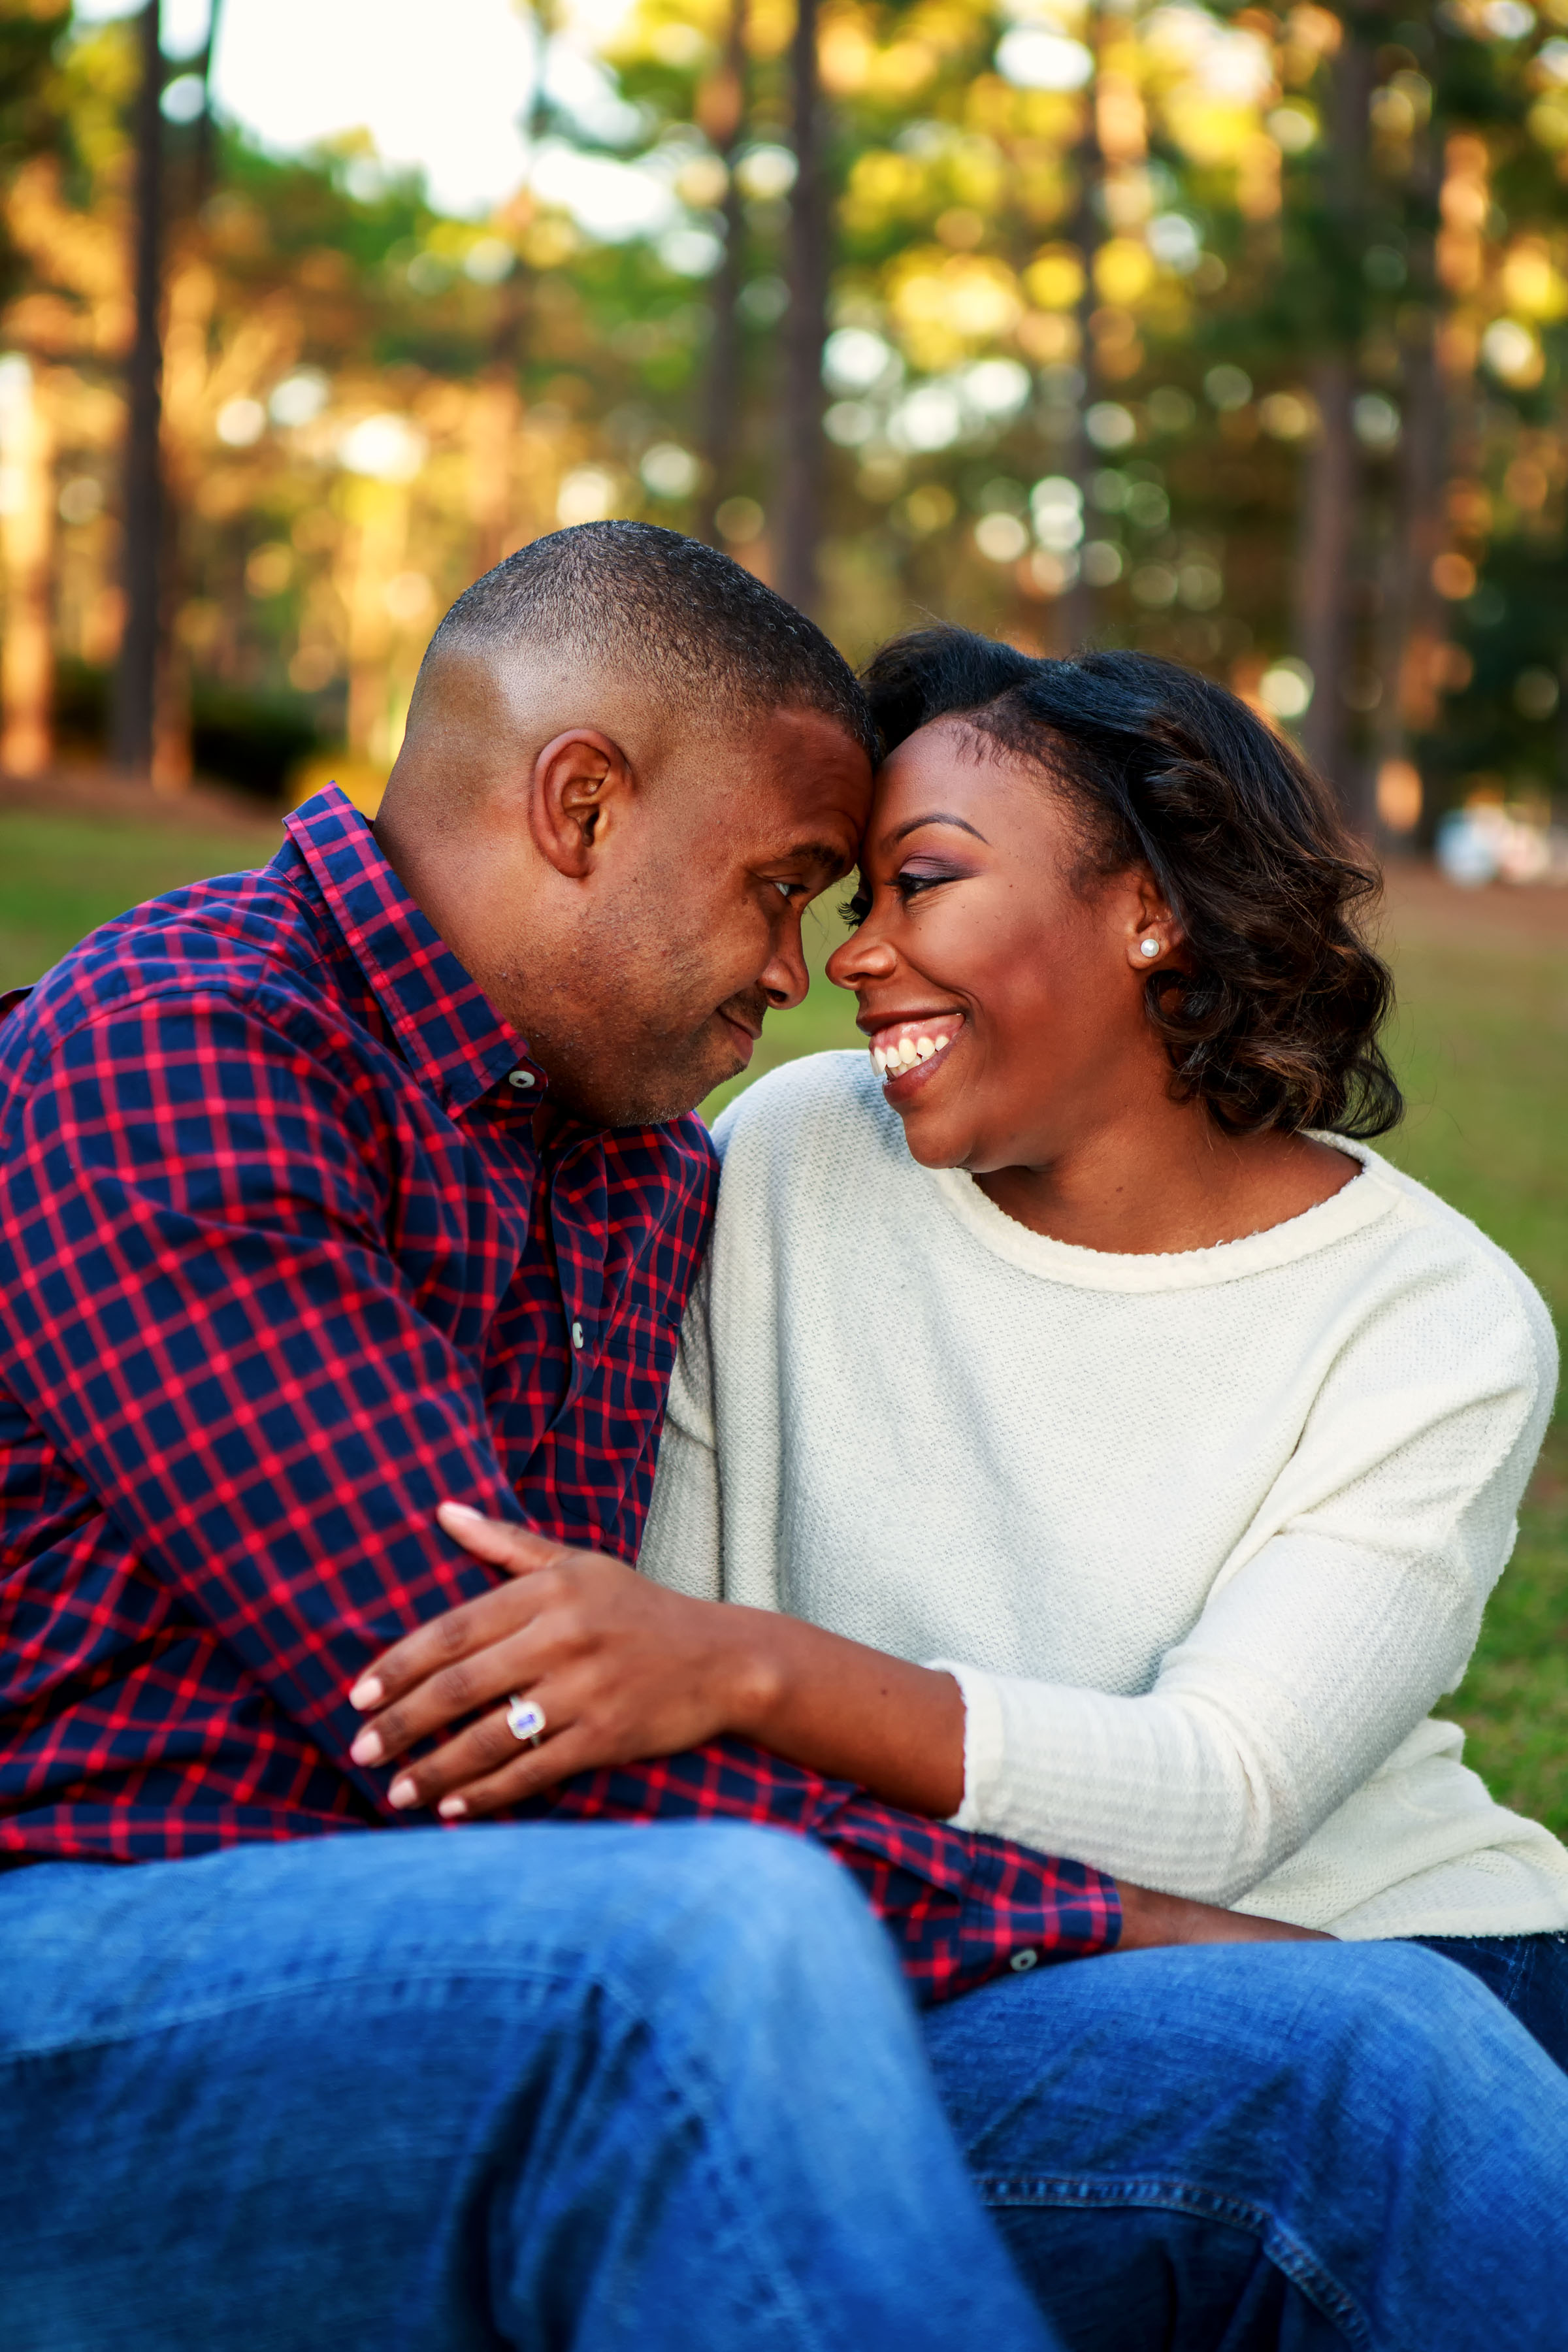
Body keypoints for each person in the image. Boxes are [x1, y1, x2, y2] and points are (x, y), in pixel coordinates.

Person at [1, 540, 1565, 2352]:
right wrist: (1135, 1927)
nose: (804, 968)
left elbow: (636, 1701)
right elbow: (486, 1734)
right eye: (784, 888)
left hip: (550, 1999)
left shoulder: (636, 1157)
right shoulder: (192, 1051)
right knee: (709, 1938)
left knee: (1364, 2056)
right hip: (124, 1978)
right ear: (581, 804)